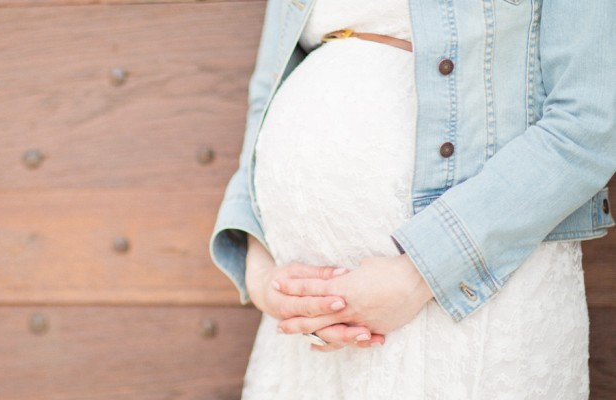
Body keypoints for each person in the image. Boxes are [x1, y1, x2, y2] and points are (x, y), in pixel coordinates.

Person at [209, 0, 616, 398]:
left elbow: (589, 124)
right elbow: (268, 89)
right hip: (305, 326)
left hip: (469, 289)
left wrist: (418, 276)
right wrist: (260, 269)